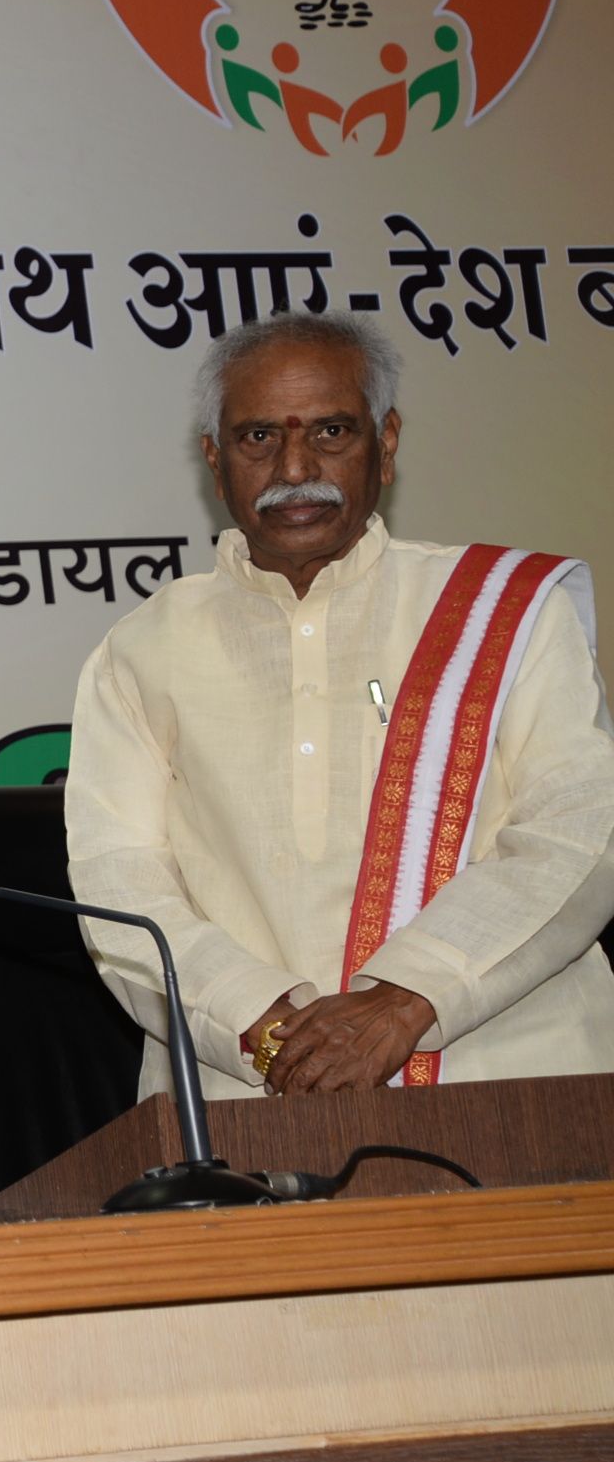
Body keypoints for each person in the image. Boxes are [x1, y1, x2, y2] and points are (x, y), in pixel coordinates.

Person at [67, 315, 614, 1100]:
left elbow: (578, 834)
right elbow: (119, 888)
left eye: (331, 431)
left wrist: (406, 1000)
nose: (296, 466)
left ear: (385, 445)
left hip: (516, 1080)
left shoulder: (506, 612)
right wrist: (261, 1027)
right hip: (249, 1093)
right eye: (259, 437)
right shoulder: (141, 651)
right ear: (214, 459)